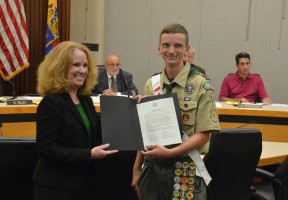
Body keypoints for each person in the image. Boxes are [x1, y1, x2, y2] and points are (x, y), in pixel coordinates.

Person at [131, 23, 220, 200]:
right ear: (158, 49)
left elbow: (204, 134)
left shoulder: (201, 85)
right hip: (152, 167)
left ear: (186, 50)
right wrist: (136, 169)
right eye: (166, 45)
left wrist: (170, 152)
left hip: (185, 166)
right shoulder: (152, 84)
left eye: (178, 45)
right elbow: (145, 132)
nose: (171, 51)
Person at [33, 41, 118, 200]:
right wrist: (89, 155)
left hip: (84, 185)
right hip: (56, 189)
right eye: (76, 65)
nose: (82, 70)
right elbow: (47, 149)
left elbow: (98, 134)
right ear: (60, 68)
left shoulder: (85, 99)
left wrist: (128, 107)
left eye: (85, 65)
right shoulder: (51, 103)